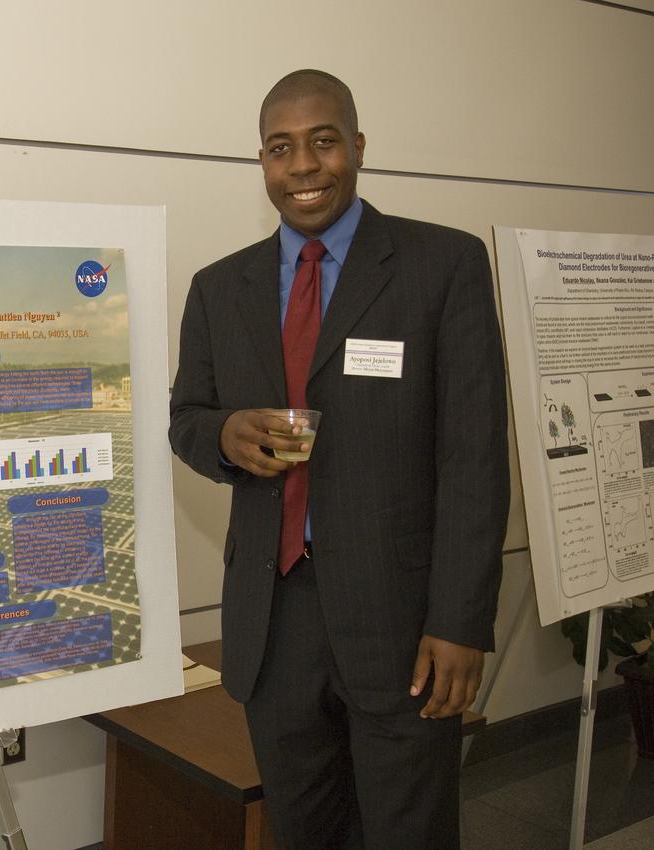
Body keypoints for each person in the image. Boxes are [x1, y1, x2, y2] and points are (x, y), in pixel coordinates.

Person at [168, 69, 509, 849]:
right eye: (281, 148)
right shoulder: (221, 288)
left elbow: (474, 458)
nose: (303, 166)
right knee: (302, 830)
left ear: (356, 147)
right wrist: (222, 436)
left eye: (323, 142)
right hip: (275, 615)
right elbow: (186, 418)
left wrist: (461, 621)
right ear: (262, 162)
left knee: (408, 831)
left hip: (404, 623)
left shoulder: (441, 265)